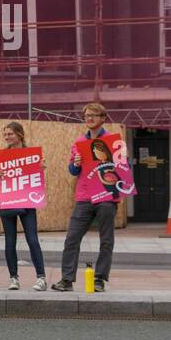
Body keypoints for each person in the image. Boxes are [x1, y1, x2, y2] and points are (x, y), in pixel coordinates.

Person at [53, 103, 118, 292]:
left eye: (94, 115)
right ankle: (66, 280)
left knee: (106, 240)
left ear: (103, 118)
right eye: (86, 115)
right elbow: (73, 171)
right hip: (84, 196)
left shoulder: (113, 142)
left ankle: (99, 279)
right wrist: (76, 163)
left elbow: (123, 169)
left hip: (106, 196)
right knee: (72, 238)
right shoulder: (79, 142)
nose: (89, 118)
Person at [0, 121, 46, 292]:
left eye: (10, 134)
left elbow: (35, 176)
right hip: (9, 201)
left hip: (27, 202)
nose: (7, 137)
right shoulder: (3, 156)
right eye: (5, 134)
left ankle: (41, 278)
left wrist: (40, 167)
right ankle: (13, 278)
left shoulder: (31, 154)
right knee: (10, 242)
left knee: (32, 239)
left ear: (19, 135)